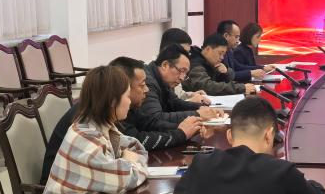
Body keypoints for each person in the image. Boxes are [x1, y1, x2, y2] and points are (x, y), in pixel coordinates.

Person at [39, 55, 213, 182]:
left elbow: (136, 143)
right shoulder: (89, 125)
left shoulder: (108, 112)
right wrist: (180, 134)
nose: (146, 90)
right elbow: (131, 166)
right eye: (141, 86)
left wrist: (186, 128)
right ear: (118, 93)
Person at [34, 66, 149, 194]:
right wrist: (130, 163)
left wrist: (128, 161)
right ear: (112, 101)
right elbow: (127, 179)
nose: (130, 101)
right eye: (127, 96)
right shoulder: (85, 139)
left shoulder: (99, 125)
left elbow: (137, 148)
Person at [173, 97, 325, 194]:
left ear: (229, 136)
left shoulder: (200, 163)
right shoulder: (281, 171)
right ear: (269, 135)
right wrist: (308, 182)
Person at [141, 45, 220, 132]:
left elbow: (175, 103)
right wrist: (197, 114)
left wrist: (202, 108)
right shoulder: (146, 81)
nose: (182, 78)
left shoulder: (163, 80)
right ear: (165, 65)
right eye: (181, 71)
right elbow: (155, 118)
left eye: (185, 74)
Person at [186, 33, 258, 96]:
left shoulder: (212, 62)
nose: (222, 57)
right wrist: (241, 88)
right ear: (208, 49)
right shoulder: (195, 63)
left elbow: (228, 79)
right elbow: (207, 86)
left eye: (223, 54)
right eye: (220, 53)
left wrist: (226, 71)